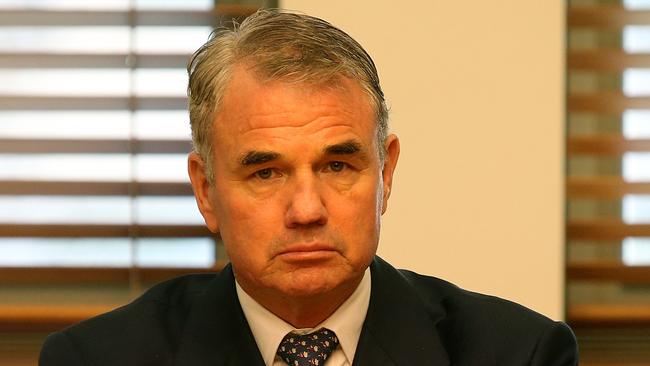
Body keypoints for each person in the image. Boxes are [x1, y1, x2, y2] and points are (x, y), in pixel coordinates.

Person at [39, 9, 578, 366]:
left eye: (338, 167)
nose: (306, 210)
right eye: (265, 173)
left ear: (385, 174)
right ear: (206, 192)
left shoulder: (518, 354)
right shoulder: (95, 360)